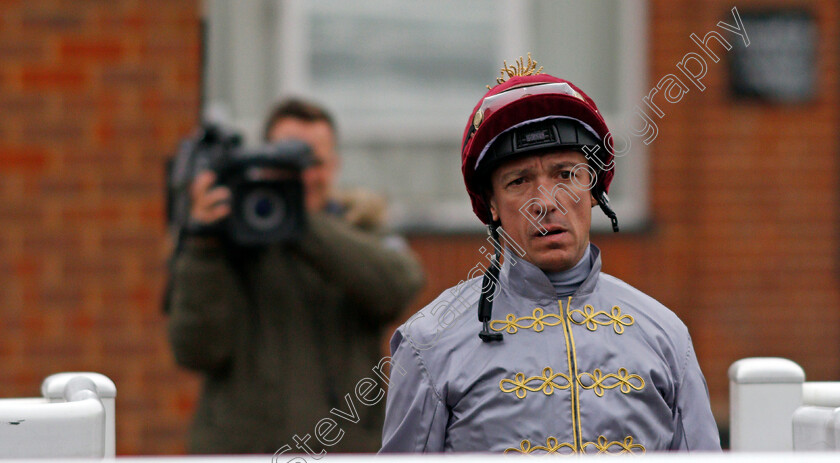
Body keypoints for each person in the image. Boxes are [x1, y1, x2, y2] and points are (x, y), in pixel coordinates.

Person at [380, 57, 720, 454]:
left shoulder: (665, 334)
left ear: (593, 191)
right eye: (519, 181)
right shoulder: (429, 342)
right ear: (491, 204)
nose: (545, 202)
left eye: (566, 175)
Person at [167, 98, 425, 454]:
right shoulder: (226, 237)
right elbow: (196, 350)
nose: (302, 176)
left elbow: (398, 289)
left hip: (344, 453)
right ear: (262, 163)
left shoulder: (360, 228)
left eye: (312, 162)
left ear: (334, 166)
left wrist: (299, 225)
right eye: (285, 164)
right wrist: (203, 245)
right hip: (243, 456)